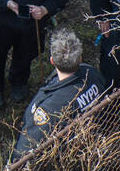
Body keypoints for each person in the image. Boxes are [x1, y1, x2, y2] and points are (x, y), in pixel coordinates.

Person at [10, 28, 107, 162]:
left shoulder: (49, 109)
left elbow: (26, 147)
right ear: (80, 58)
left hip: (63, 155)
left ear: (52, 61)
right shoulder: (91, 73)